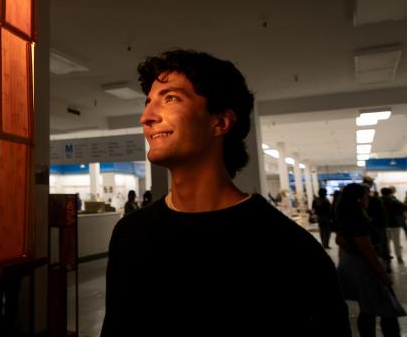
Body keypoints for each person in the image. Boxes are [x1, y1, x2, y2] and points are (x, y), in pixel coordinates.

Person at [101, 49, 350, 336]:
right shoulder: (130, 233)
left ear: (220, 122)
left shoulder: (289, 248)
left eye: (170, 98)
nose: (146, 117)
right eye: (148, 102)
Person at [336, 183, 405, 336]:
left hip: (354, 267)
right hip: (365, 269)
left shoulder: (345, 215)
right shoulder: (357, 218)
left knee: (368, 309)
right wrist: (381, 273)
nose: (369, 199)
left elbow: (342, 240)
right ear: (358, 199)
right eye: (367, 196)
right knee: (385, 309)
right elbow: (366, 249)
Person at [380, 187, 407, 264]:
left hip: (384, 225)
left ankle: (387, 256)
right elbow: (404, 207)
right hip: (394, 224)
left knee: (386, 242)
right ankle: (399, 257)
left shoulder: (378, 200)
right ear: (390, 193)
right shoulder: (393, 201)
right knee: (396, 242)